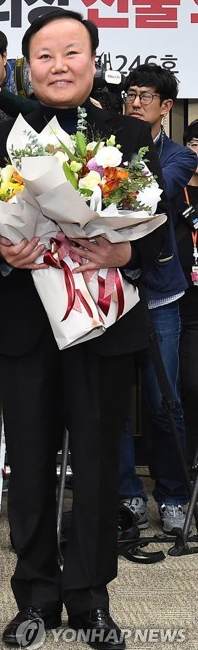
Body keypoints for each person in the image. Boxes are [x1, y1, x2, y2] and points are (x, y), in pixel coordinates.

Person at [0, 8, 167, 650]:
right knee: (27, 469)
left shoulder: (131, 137)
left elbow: (166, 235)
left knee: (100, 467)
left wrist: (124, 254)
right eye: (45, 55)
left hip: (105, 326)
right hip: (28, 328)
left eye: (72, 52)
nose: (59, 65)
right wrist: (4, 252)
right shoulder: (4, 137)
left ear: (93, 60)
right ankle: (35, 596)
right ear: (28, 65)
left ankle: (90, 597)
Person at [118, 65, 197, 532]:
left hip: (161, 295)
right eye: (130, 94)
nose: (134, 102)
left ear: (166, 107)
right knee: (111, 402)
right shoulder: (107, 146)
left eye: (145, 96)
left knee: (164, 402)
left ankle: (171, 494)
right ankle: (127, 494)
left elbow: (149, 194)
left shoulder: (179, 157)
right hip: (111, 290)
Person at [176, 120, 198, 468]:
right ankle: (185, 459)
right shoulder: (172, 185)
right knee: (186, 385)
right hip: (178, 297)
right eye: (193, 141)